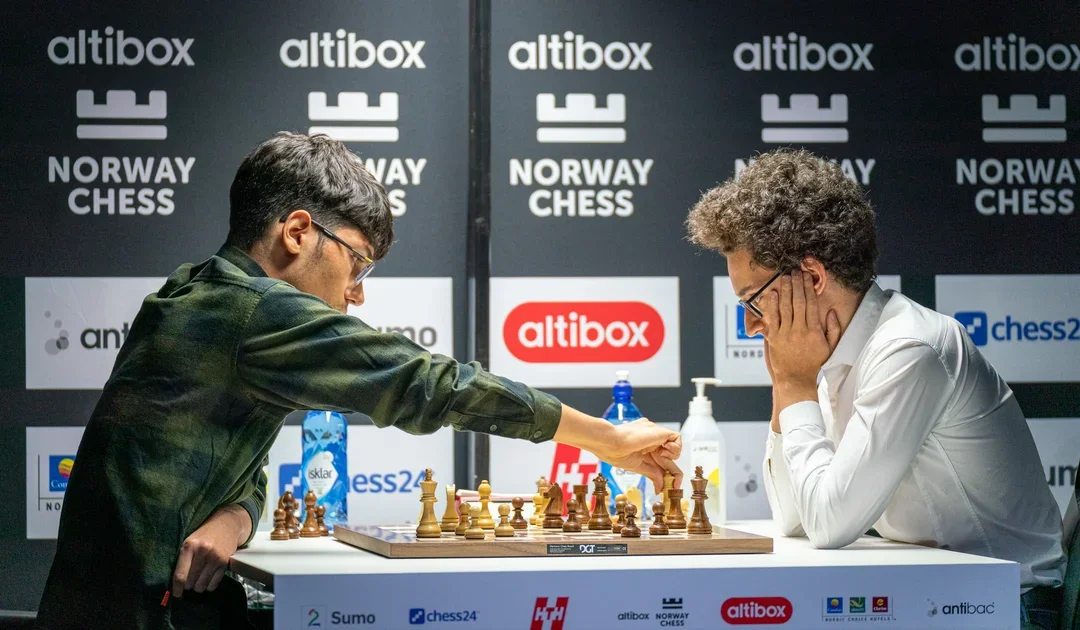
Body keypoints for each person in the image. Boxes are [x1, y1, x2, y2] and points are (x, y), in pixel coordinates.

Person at [37, 132, 682, 629]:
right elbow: (424, 381)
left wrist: (237, 515)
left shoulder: (196, 291)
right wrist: (600, 437)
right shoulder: (254, 312)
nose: (356, 293)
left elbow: (241, 462)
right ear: (296, 232)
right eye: (358, 263)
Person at [686, 148, 1065, 629]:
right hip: (937, 598)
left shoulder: (910, 348)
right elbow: (793, 518)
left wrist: (794, 381)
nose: (750, 325)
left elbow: (827, 524)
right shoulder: (836, 352)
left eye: (753, 301)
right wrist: (790, 385)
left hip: (1013, 606)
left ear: (814, 277)